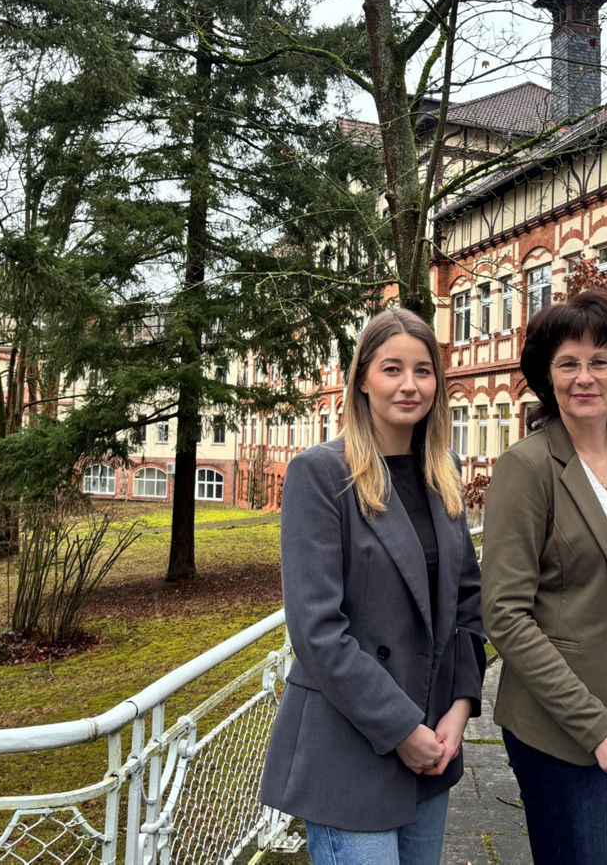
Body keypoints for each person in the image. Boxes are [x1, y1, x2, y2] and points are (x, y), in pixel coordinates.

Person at [259, 309, 485, 865]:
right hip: (351, 743)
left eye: (424, 370)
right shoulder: (321, 473)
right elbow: (317, 630)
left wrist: (457, 711)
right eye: (392, 369)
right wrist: (402, 727)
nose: (410, 385)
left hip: (433, 740)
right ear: (362, 378)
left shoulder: (445, 470)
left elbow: (468, 603)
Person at [482, 289, 607, 864]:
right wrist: (597, 728)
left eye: (600, 361)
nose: (584, 377)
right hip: (563, 725)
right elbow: (504, 614)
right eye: (567, 363)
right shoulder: (527, 467)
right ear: (547, 376)